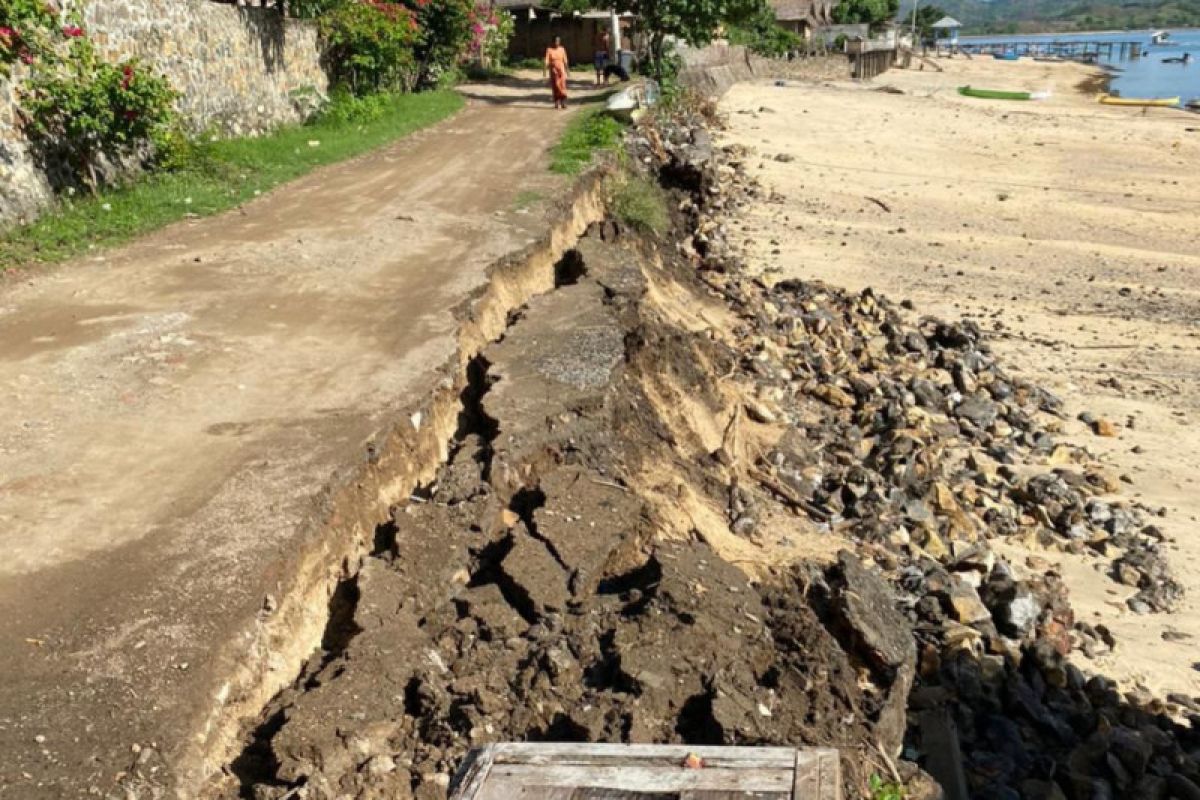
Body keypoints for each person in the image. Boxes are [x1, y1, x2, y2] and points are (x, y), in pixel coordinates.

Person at [544, 36, 570, 110]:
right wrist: (544, 70)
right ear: (553, 42)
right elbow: (546, 60)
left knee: (562, 86)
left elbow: (565, 60)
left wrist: (567, 70)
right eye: (555, 41)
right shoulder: (549, 50)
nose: (557, 43)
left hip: (561, 70)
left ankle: (563, 102)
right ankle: (557, 102)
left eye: (558, 41)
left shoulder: (562, 49)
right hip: (553, 71)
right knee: (556, 86)